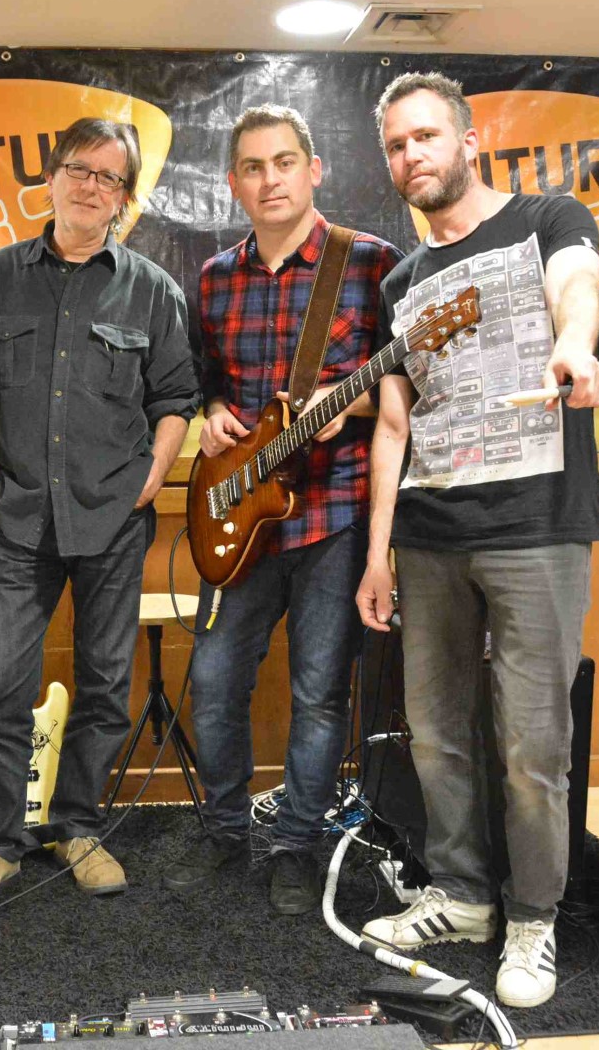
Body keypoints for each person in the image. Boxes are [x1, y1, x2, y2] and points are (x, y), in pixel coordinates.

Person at [357, 72, 599, 1009]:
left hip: (536, 527)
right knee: (435, 736)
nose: (411, 155)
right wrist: (377, 554)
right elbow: (394, 424)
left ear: (470, 141)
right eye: (396, 145)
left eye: (426, 136)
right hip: (428, 536)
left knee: (533, 744)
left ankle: (533, 919)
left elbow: (576, 285)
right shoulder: (400, 283)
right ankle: (462, 897)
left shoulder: (547, 218)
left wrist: (574, 345)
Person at [0, 117, 199, 915]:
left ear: (125, 198)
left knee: (105, 682)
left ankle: (79, 827)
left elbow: (176, 397)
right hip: (20, 519)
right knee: (2, 683)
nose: (92, 187)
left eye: (109, 178)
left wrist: (151, 478)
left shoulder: (152, 289)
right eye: (80, 170)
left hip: (114, 522)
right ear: (52, 178)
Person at [162, 105, 401, 916]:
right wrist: (210, 414)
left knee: (319, 692)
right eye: (254, 167)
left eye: (286, 162)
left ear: (314, 170)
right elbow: (206, 381)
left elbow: (405, 387)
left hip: (333, 514)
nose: (271, 179)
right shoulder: (213, 278)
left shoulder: (369, 262)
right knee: (214, 680)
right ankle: (225, 828)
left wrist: (349, 406)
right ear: (234, 183)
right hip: (241, 517)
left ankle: (297, 844)